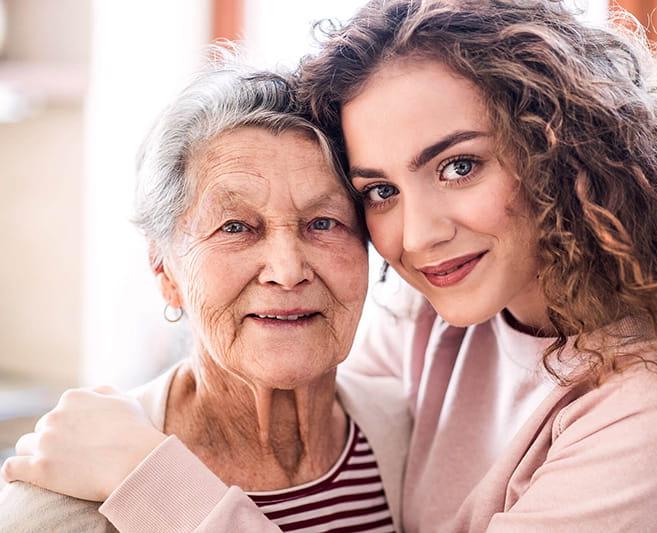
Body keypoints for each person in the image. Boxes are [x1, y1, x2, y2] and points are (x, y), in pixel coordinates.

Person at [4, 0, 657, 531]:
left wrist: (153, 477)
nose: (415, 236)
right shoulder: (448, 315)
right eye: (379, 190)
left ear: (561, 152)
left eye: (459, 167)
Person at [0, 60, 408, 533]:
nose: (288, 270)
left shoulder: (409, 435)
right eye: (235, 227)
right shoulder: (69, 492)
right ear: (165, 270)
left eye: (323, 223)